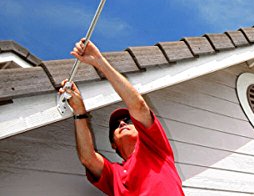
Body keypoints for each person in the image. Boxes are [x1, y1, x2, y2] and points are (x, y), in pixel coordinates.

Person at [59, 38, 184, 195]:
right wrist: (79, 110)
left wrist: (99, 61)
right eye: (115, 126)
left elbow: (138, 106)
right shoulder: (114, 174)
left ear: (141, 131)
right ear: (113, 144)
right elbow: (88, 159)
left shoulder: (155, 148)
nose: (122, 124)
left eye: (128, 120)